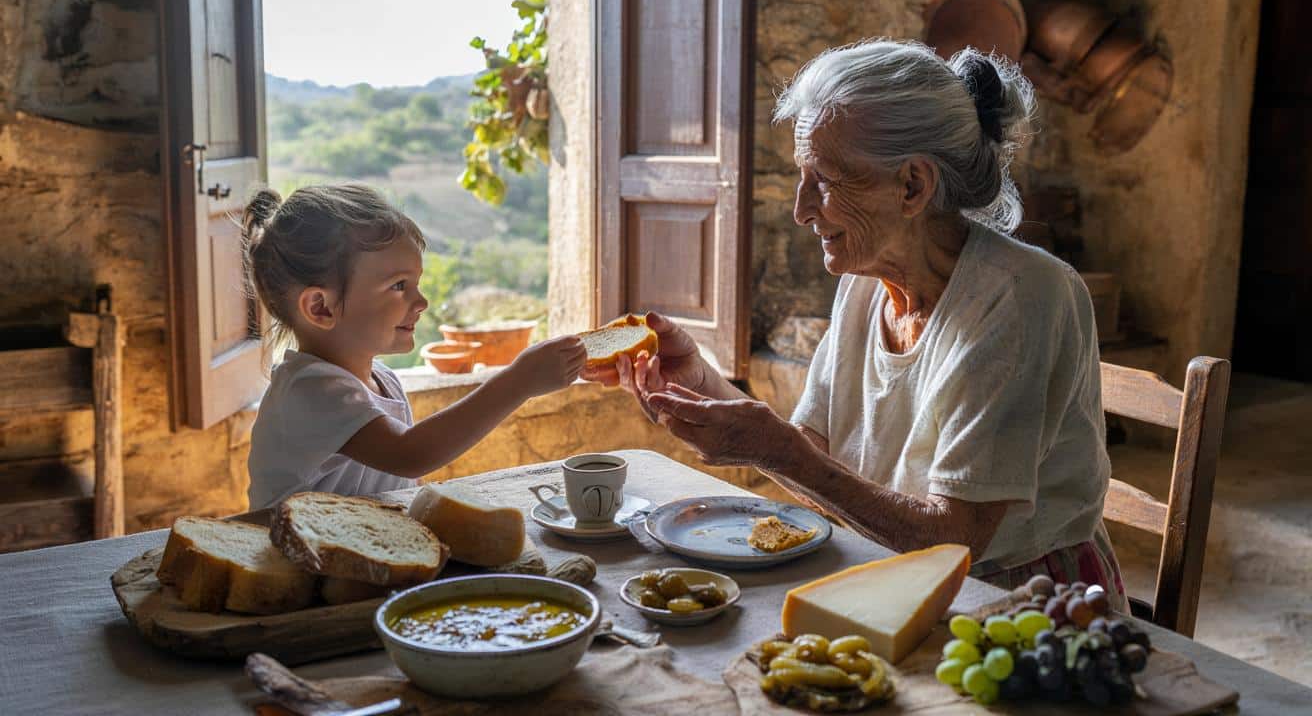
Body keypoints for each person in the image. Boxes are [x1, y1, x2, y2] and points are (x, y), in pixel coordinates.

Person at [586, 40, 1126, 608]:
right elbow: (812, 456)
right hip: (890, 570)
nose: (800, 209)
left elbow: (954, 540)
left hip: (1022, 601)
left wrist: (773, 451)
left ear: (913, 185)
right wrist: (700, 384)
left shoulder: (1020, 296)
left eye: (824, 179)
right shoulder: (866, 282)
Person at [243, 184, 585, 509]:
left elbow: (401, 485)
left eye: (416, 284)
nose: (421, 301)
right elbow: (411, 455)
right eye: (398, 286)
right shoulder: (308, 391)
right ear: (321, 307)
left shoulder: (383, 379)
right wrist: (519, 381)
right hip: (301, 567)